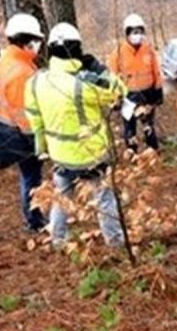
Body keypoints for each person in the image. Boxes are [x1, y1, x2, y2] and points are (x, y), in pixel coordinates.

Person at [25, 22, 129, 248]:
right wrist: (100, 70)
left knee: (62, 198)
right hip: (91, 156)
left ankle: (58, 240)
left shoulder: (35, 83)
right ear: (77, 49)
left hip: (61, 156)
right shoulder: (83, 86)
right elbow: (120, 91)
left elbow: (36, 122)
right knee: (104, 199)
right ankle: (116, 243)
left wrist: (42, 149)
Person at [0, 13, 47, 231]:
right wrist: (37, 140)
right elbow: (24, 112)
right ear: (28, 40)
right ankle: (34, 221)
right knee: (32, 178)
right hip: (20, 134)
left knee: (28, 176)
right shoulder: (21, 71)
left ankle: (32, 217)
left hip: (5, 130)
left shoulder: (7, 61)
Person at [109, 13, 163, 152]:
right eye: (134, 32)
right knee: (129, 127)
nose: (137, 35)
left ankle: (153, 151)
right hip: (129, 96)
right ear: (127, 33)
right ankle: (132, 152)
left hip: (148, 94)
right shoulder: (118, 53)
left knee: (148, 126)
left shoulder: (148, 50)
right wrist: (115, 98)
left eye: (139, 31)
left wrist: (158, 92)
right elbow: (112, 77)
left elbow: (156, 71)